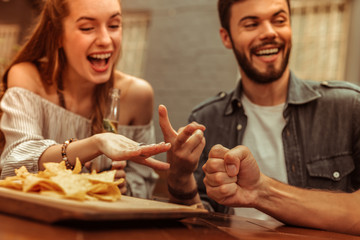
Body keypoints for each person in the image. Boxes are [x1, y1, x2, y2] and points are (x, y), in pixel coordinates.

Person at [159, 0, 360, 235]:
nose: (269, 32)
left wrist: (261, 191)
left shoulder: (349, 107)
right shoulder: (206, 120)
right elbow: (198, 225)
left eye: (279, 20)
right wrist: (180, 176)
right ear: (226, 37)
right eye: (251, 24)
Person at [0, 0, 171, 199]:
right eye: (88, 28)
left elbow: (143, 189)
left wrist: (124, 187)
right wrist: (96, 144)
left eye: (114, 25)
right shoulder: (27, 77)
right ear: (57, 34)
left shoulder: (136, 94)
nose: (106, 39)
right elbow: (16, 162)